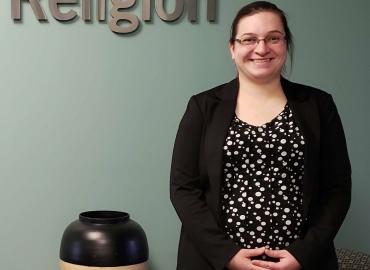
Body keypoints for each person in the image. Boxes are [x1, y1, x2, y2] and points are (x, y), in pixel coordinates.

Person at [170, 1, 351, 270]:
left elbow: (337, 188)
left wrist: (303, 253)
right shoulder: (203, 106)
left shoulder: (319, 105)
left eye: (273, 38)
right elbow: (183, 189)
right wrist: (227, 256)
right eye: (249, 39)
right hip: (214, 262)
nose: (261, 48)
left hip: (301, 262)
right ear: (233, 48)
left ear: (285, 44)